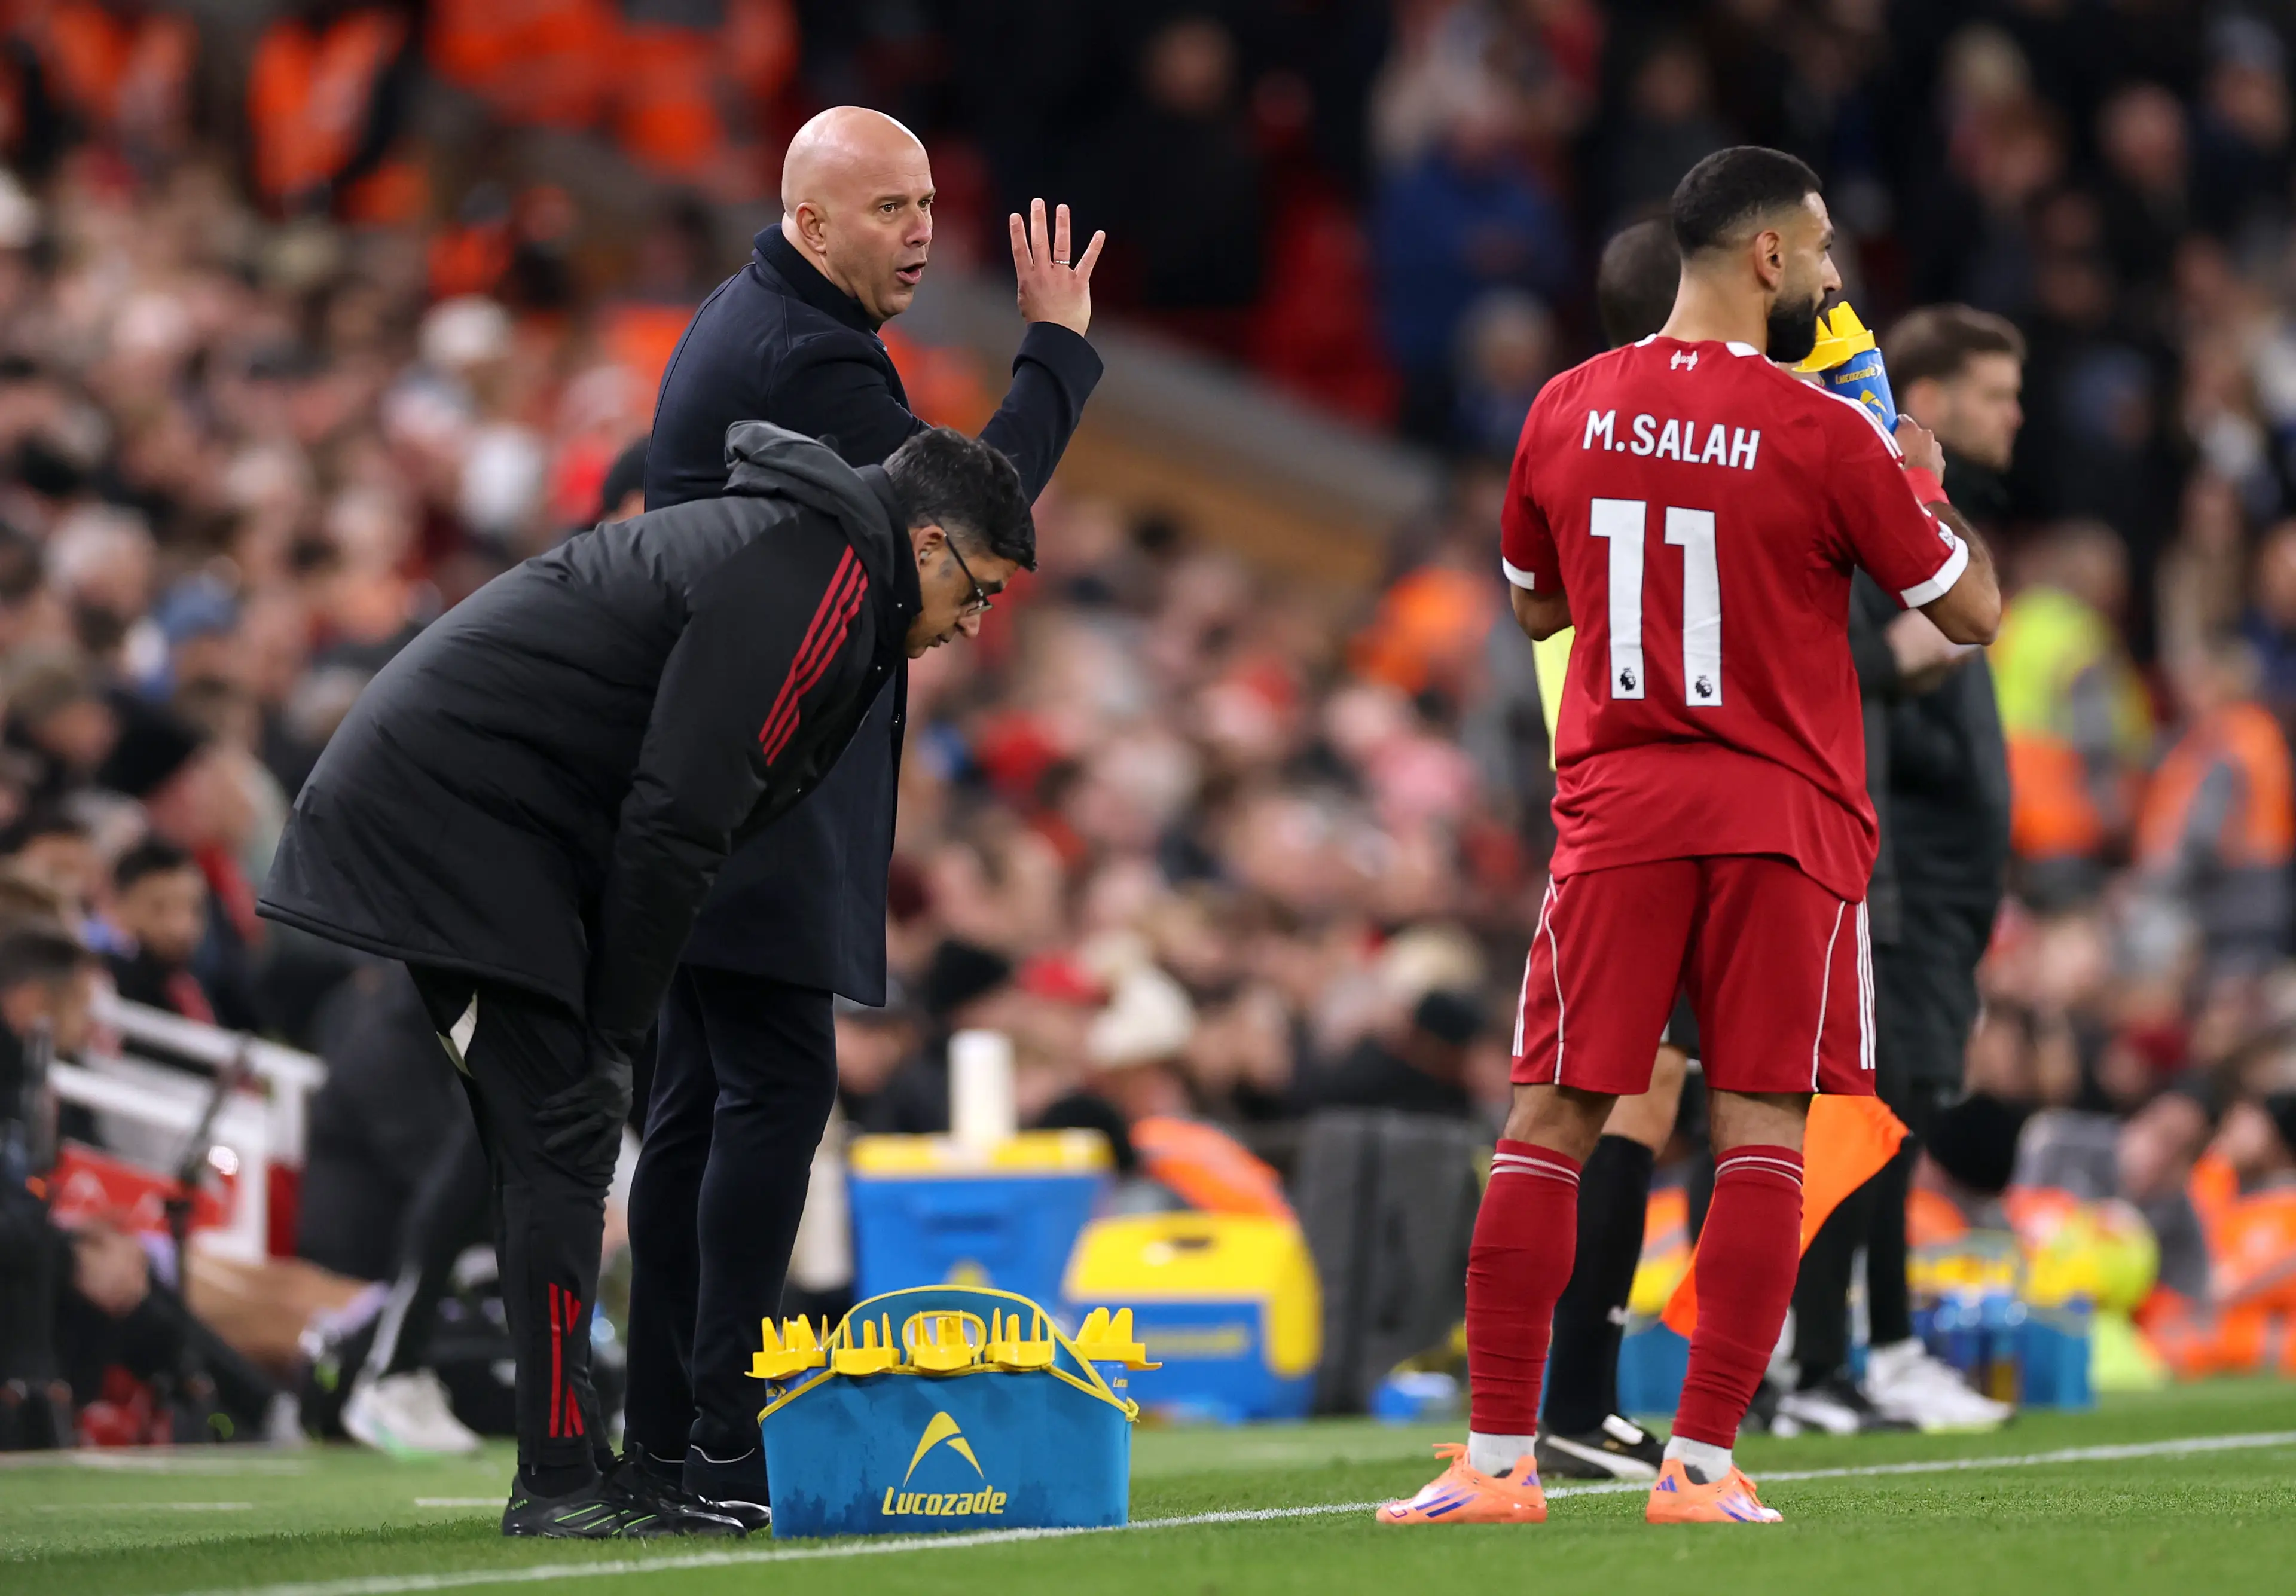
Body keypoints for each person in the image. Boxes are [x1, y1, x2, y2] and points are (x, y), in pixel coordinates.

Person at [258, 422, 1036, 1538]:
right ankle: (558, 1479)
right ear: (925, 544)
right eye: (979, 590)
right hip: (454, 820)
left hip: (493, 821)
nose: (971, 623)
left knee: (555, 1133)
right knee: (566, 1129)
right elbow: (678, 819)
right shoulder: (812, 578)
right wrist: (618, 1027)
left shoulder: (811, 558)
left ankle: (577, 1466)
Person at [1378, 146, 1999, 1530]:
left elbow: (1536, 607)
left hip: (1620, 808)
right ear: (1768, 256)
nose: (1830, 276)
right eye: (1821, 249)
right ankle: (1702, 1471)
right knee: (1761, 1128)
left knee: (1549, 1118)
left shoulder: (1563, 404)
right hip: (1783, 817)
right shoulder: (1823, 429)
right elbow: (1971, 615)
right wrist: (1914, 475)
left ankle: (1494, 1461)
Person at [625, 105, 1104, 1521]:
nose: (921, 232)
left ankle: (667, 1439)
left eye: (927, 203)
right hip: (759, 773)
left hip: (715, 769)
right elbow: (966, 517)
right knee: (767, 1096)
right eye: (890, 208)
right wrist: (1057, 351)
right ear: (810, 220)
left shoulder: (764, 318)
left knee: (700, 1106)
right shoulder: (809, 356)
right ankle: (720, 1440)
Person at [1529, 216, 1692, 1482]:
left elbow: (1535, 598)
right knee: (1616, 1094)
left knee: (1629, 1088)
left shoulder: (1574, 421)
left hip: (1601, 772)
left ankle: (1573, 1398)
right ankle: (1569, 1401)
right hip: (1658, 785)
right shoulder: (1680, 436)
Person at [100, 839, 215, 1022]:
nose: (181, 927)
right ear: (118, 907)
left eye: (194, 908)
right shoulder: (108, 988)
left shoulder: (199, 983)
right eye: (159, 909)